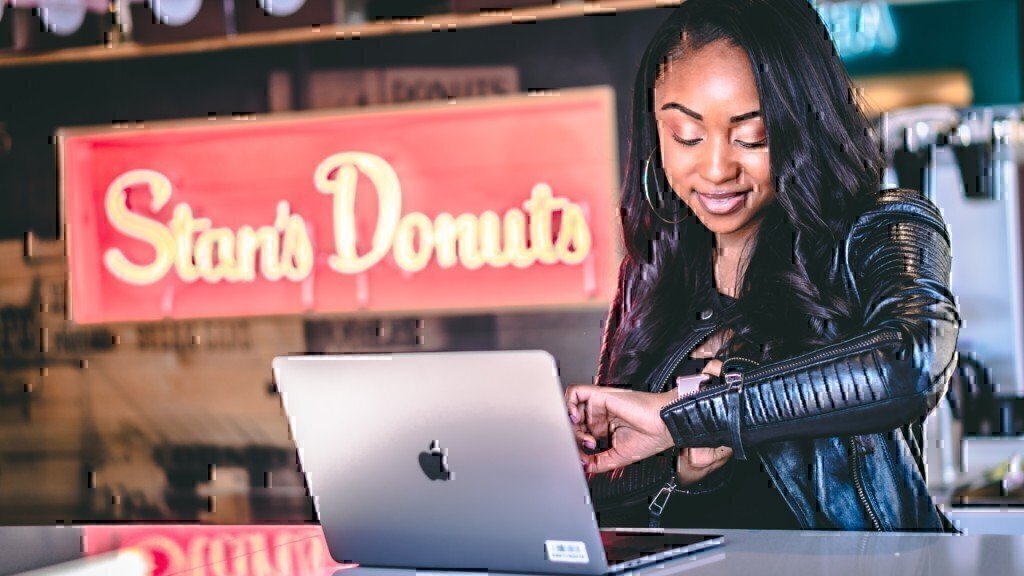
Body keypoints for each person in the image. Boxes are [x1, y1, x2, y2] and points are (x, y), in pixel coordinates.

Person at [564, 0, 960, 532]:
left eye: (754, 137)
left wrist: (701, 412)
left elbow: (906, 363)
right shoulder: (655, 269)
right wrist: (682, 465)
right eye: (687, 136)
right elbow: (613, 495)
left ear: (805, 124)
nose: (716, 168)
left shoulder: (882, 230)